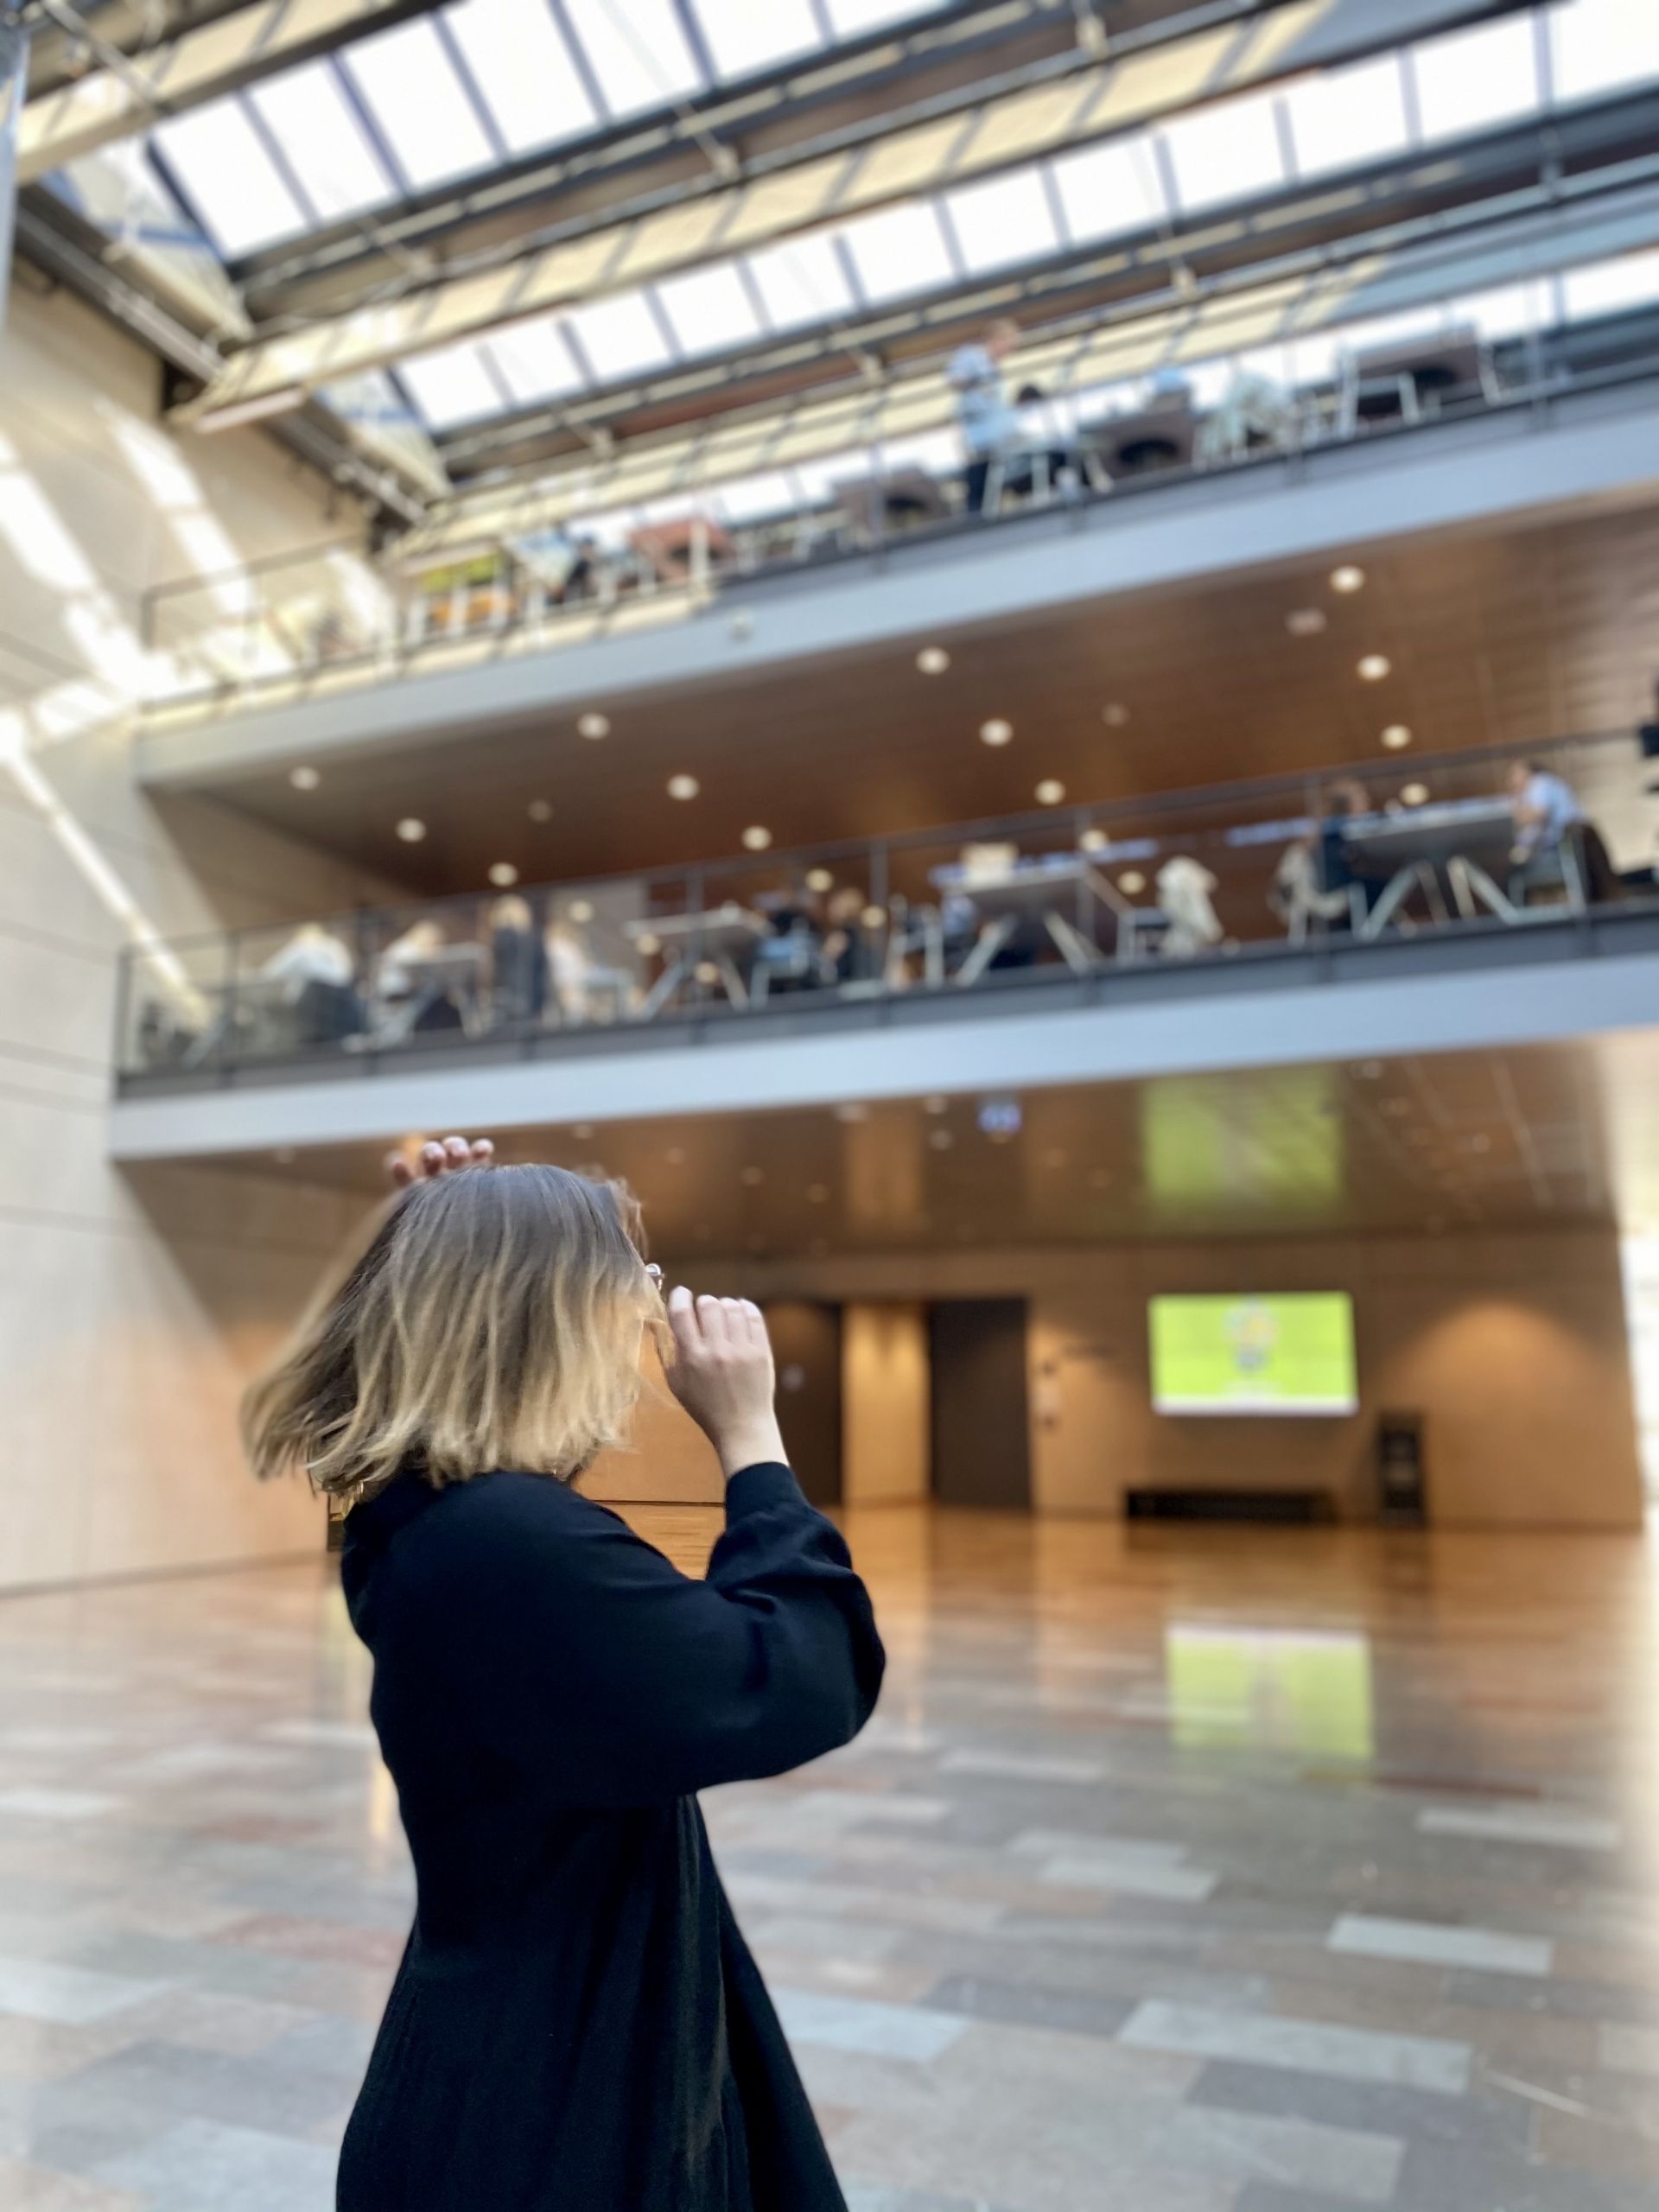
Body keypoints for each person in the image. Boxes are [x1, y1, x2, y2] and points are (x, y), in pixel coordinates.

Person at [241, 1137, 885, 2212]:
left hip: (508, 2056)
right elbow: (804, 1676)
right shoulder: (503, 1541)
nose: (639, 1329)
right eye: (622, 1300)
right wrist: (753, 1440)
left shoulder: (429, 1516)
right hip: (552, 2108)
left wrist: (437, 1238)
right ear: (546, 1320)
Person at [1506, 757, 1619, 906]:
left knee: (1512, 874)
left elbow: (1538, 814)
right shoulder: (1539, 789)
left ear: (1528, 772)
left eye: (1514, 774)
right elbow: (1530, 835)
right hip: (1574, 844)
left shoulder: (1540, 783)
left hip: (1571, 846)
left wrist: (1511, 812)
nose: (1510, 781)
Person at [948, 317, 1020, 513]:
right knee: (978, 480)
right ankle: (975, 517)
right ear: (997, 339)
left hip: (996, 437)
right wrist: (977, 383)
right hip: (979, 435)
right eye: (1008, 344)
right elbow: (955, 380)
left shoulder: (994, 368)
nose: (1009, 351)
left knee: (994, 479)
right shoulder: (971, 356)